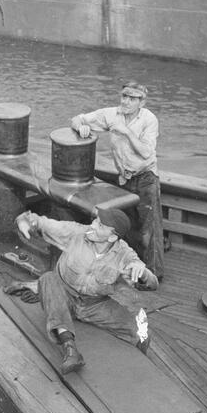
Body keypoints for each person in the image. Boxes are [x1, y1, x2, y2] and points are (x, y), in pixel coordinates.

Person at [11, 207, 158, 374]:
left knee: (141, 331)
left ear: (112, 237)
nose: (93, 225)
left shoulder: (125, 254)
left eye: (100, 225)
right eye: (96, 220)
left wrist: (143, 273)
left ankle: (139, 370)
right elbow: (41, 222)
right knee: (48, 278)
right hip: (64, 293)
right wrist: (24, 221)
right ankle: (70, 350)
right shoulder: (77, 233)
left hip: (94, 305)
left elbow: (152, 285)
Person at [70, 81, 165, 280]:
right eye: (124, 96)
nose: (126, 102)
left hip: (146, 178)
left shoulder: (149, 119)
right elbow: (77, 118)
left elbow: (146, 152)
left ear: (142, 102)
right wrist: (81, 127)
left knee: (149, 230)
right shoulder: (111, 114)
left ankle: (154, 275)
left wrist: (127, 132)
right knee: (127, 226)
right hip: (124, 179)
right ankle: (129, 267)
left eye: (132, 99)